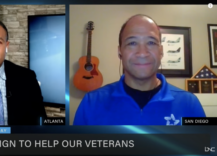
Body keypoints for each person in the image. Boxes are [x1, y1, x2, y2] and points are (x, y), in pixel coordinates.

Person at [73, 14, 206, 125]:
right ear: (120, 52)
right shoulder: (91, 103)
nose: (142, 53)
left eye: (151, 42)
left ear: (161, 51)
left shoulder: (189, 104)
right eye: (132, 43)